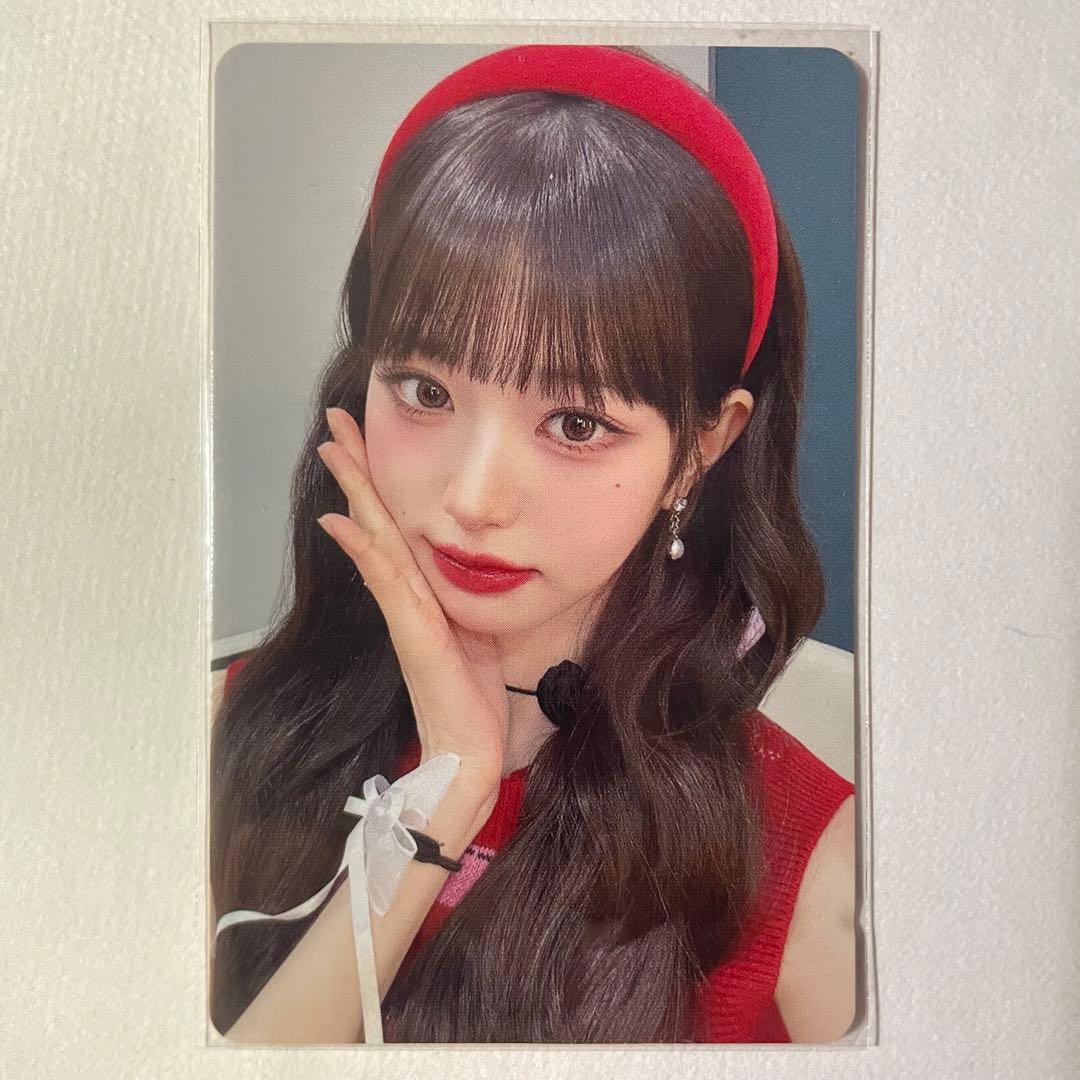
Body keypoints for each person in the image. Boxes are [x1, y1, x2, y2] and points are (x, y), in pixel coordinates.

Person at [209, 43, 856, 1045]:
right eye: (424, 390)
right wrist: (446, 792)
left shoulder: (816, 864)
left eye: (578, 424)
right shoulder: (241, 725)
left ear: (702, 448)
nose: (471, 499)